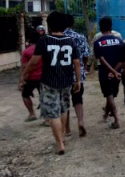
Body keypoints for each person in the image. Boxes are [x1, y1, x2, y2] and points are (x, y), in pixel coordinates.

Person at [21, 11, 81, 155]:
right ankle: (63, 137)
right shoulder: (70, 40)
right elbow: (77, 63)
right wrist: (78, 80)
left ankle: (59, 143)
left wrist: (25, 73)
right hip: (66, 81)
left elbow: (35, 61)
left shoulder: (44, 40)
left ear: (50, 24)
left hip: (49, 82)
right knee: (63, 109)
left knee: (53, 113)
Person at [63, 15, 91, 137]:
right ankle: (80, 121)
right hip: (77, 74)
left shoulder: (58, 37)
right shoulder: (80, 37)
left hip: (62, 75)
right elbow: (86, 55)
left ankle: (67, 128)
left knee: (65, 101)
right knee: (78, 99)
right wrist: (83, 67)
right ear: (73, 24)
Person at [93, 16, 123, 129]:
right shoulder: (119, 41)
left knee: (109, 95)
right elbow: (122, 59)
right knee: (111, 94)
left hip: (104, 72)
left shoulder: (97, 42)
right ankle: (106, 114)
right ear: (111, 27)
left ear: (100, 28)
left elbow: (101, 59)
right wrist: (115, 71)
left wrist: (111, 71)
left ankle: (116, 120)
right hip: (118, 72)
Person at [19, 31, 42, 122]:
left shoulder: (26, 52)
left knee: (25, 95)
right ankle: (47, 118)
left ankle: (32, 114)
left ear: (29, 40)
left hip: (31, 78)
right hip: (43, 78)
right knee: (44, 97)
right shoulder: (44, 49)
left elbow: (24, 67)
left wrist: (22, 79)